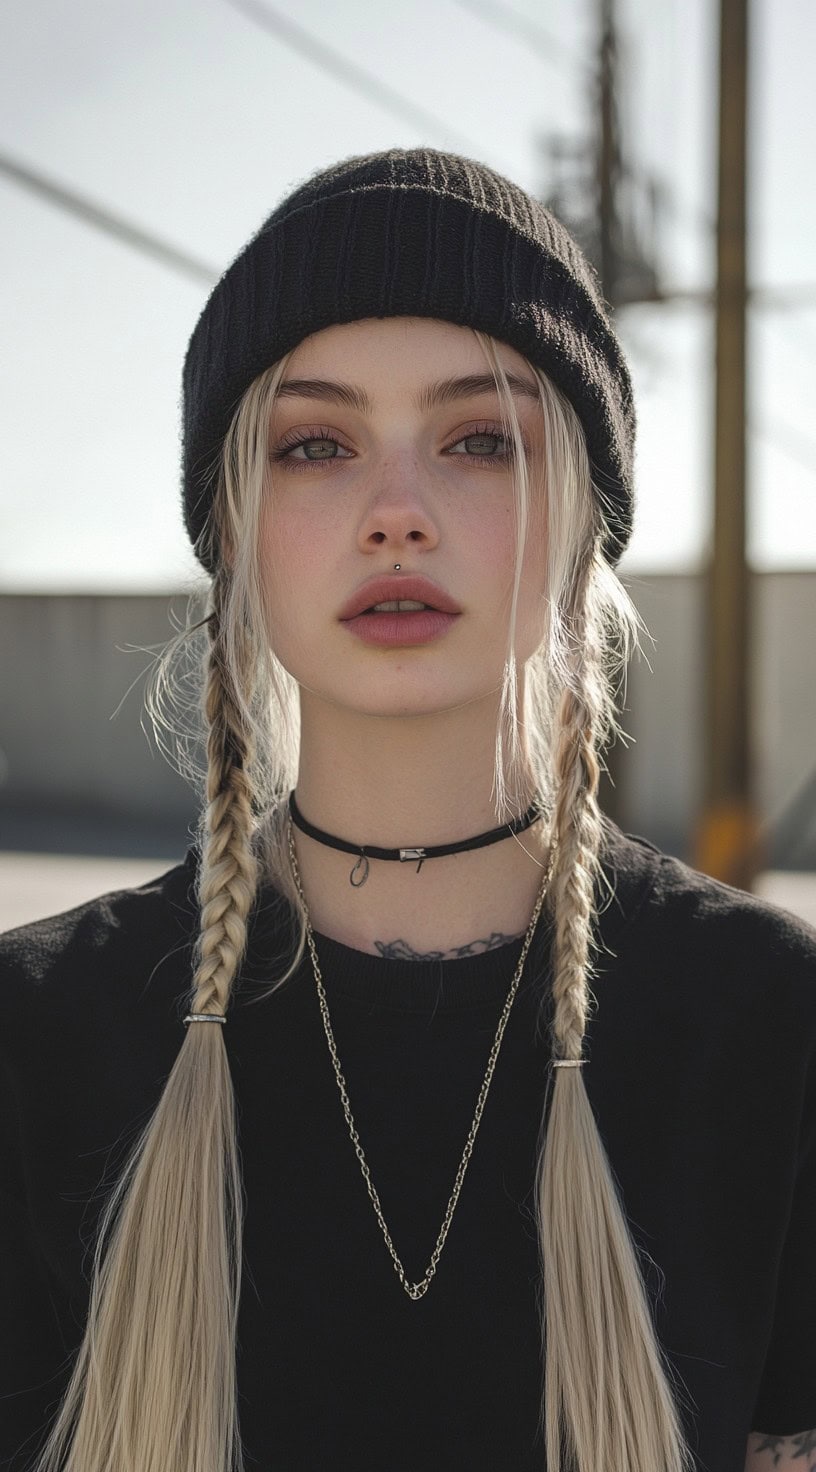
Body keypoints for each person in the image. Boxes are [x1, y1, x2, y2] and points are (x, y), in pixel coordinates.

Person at [1, 148, 814, 1472]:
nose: (398, 515)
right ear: (236, 529)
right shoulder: (39, 1033)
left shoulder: (769, 1018)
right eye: (316, 444)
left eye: (480, 440)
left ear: (580, 526)